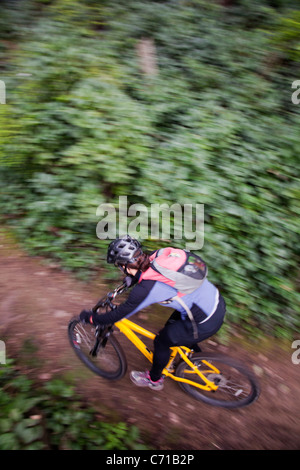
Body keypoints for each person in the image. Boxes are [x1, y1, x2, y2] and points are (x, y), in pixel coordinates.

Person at [80, 235, 226, 391]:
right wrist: (133, 279)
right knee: (172, 328)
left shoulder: (146, 290)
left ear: (124, 265)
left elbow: (118, 315)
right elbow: (149, 275)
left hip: (205, 321)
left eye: (118, 266)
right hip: (215, 302)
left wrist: (91, 318)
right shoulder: (157, 256)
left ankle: (154, 380)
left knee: (161, 341)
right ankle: (196, 358)